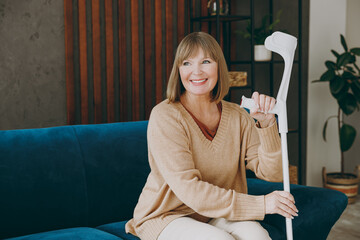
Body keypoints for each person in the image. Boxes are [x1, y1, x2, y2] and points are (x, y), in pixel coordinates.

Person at [125, 32, 298, 240]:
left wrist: (267, 124)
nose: (196, 71)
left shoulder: (238, 117)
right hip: (165, 216)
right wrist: (262, 204)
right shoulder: (166, 116)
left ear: (219, 67)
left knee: (257, 236)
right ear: (178, 70)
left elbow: (274, 174)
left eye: (205, 61)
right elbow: (191, 191)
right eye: (187, 63)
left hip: (214, 214)